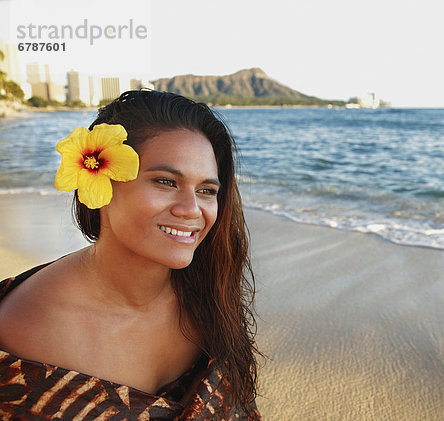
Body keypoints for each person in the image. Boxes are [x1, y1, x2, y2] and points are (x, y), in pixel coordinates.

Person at [0, 90, 261, 420]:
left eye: (206, 190)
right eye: (166, 181)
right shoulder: (27, 332)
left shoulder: (208, 290)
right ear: (100, 182)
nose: (192, 209)